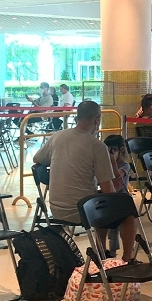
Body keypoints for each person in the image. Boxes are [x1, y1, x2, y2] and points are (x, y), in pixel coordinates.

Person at [34, 100, 134, 259]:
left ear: (77, 117)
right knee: (127, 210)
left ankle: (101, 252)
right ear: (97, 120)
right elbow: (108, 192)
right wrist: (116, 183)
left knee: (100, 201)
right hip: (84, 210)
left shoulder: (57, 137)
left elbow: (37, 159)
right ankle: (128, 259)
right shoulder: (97, 146)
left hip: (56, 209)